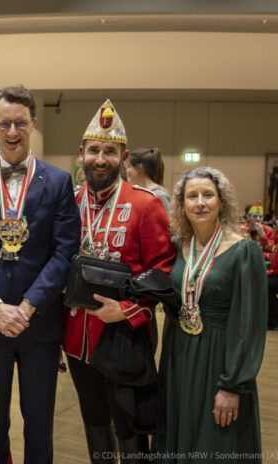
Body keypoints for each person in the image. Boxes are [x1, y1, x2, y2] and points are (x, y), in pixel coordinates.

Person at [0, 85, 80, 463]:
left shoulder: (57, 181)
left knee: (39, 425)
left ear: (33, 124)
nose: (12, 132)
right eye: (5, 123)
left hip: (38, 324)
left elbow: (64, 253)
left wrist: (26, 307)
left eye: (20, 124)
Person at [61, 100, 175, 462]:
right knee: (94, 422)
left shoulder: (145, 205)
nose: (100, 158)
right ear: (81, 154)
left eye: (110, 151)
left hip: (123, 338)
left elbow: (163, 272)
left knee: (132, 430)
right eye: (94, 150)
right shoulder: (68, 203)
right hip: (77, 340)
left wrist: (127, 310)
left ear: (123, 158)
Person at [159, 166, 267, 462]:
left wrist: (233, 384)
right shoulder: (179, 247)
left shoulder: (244, 252)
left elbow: (250, 324)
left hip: (220, 360)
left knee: (216, 443)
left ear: (222, 201)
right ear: (182, 205)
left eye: (208, 194)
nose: (200, 202)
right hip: (179, 357)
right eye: (192, 196)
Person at [125, 147, 171, 214]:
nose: (127, 171)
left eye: (129, 166)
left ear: (140, 168)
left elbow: (167, 223)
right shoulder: (136, 193)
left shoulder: (159, 195)